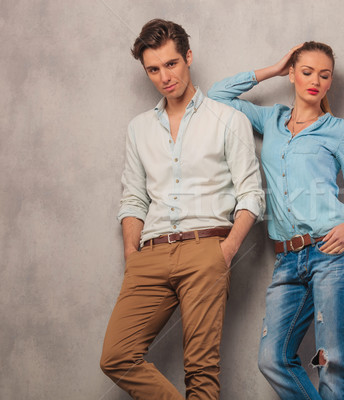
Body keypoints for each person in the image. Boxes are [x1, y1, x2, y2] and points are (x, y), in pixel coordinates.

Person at [99, 19, 265, 399]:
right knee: (117, 356)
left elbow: (251, 194)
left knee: (201, 372)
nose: (164, 77)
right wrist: (131, 254)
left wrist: (225, 251)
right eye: (153, 69)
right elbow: (134, 198)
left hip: (206, 250)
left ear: (188, 57)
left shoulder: (229, 120)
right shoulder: (139, 128)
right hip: (150, 254)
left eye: (171, 64)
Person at [208, 41, 344, 400]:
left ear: (330, 83)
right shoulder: (271, 120)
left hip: (332, 254)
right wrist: (271, 68)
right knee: (273, 359)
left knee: (332, 362)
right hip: (286, 260)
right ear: (293, 74)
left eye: (324, 75)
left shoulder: (341, 131)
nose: (315, 80)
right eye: (307, 71)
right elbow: (216, 97)